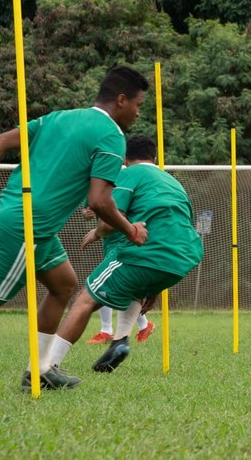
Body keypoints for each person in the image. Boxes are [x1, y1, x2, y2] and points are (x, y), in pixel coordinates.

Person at [0, 66, 149, 392]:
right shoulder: (112, 137)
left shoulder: (60, 117)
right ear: (121, 99)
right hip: (27, 226)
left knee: (63, 284)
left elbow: (1, 142)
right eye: (138, 104)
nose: (138, 112)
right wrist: (130, 231)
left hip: (24, 218)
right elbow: (99, 201)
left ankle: (40, 370)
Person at [49, 134, 204, 377]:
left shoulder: (127, 175)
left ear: (124, 157)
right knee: (134, 289)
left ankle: (48, 365)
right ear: (154, 157)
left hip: (147, 252)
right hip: (185, 257)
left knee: (85, 300)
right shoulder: (173, 182)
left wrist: (97, 233)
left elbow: (110, 221)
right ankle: (120, 341)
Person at [79, 207, 154, 345]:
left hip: (128, 241)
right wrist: (86, 213)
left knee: (104, 285)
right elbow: (87, 210)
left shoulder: (126, 188)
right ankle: (144, 325)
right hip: (109, 243)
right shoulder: (94, 187)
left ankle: (107, 331)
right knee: (116, 287)